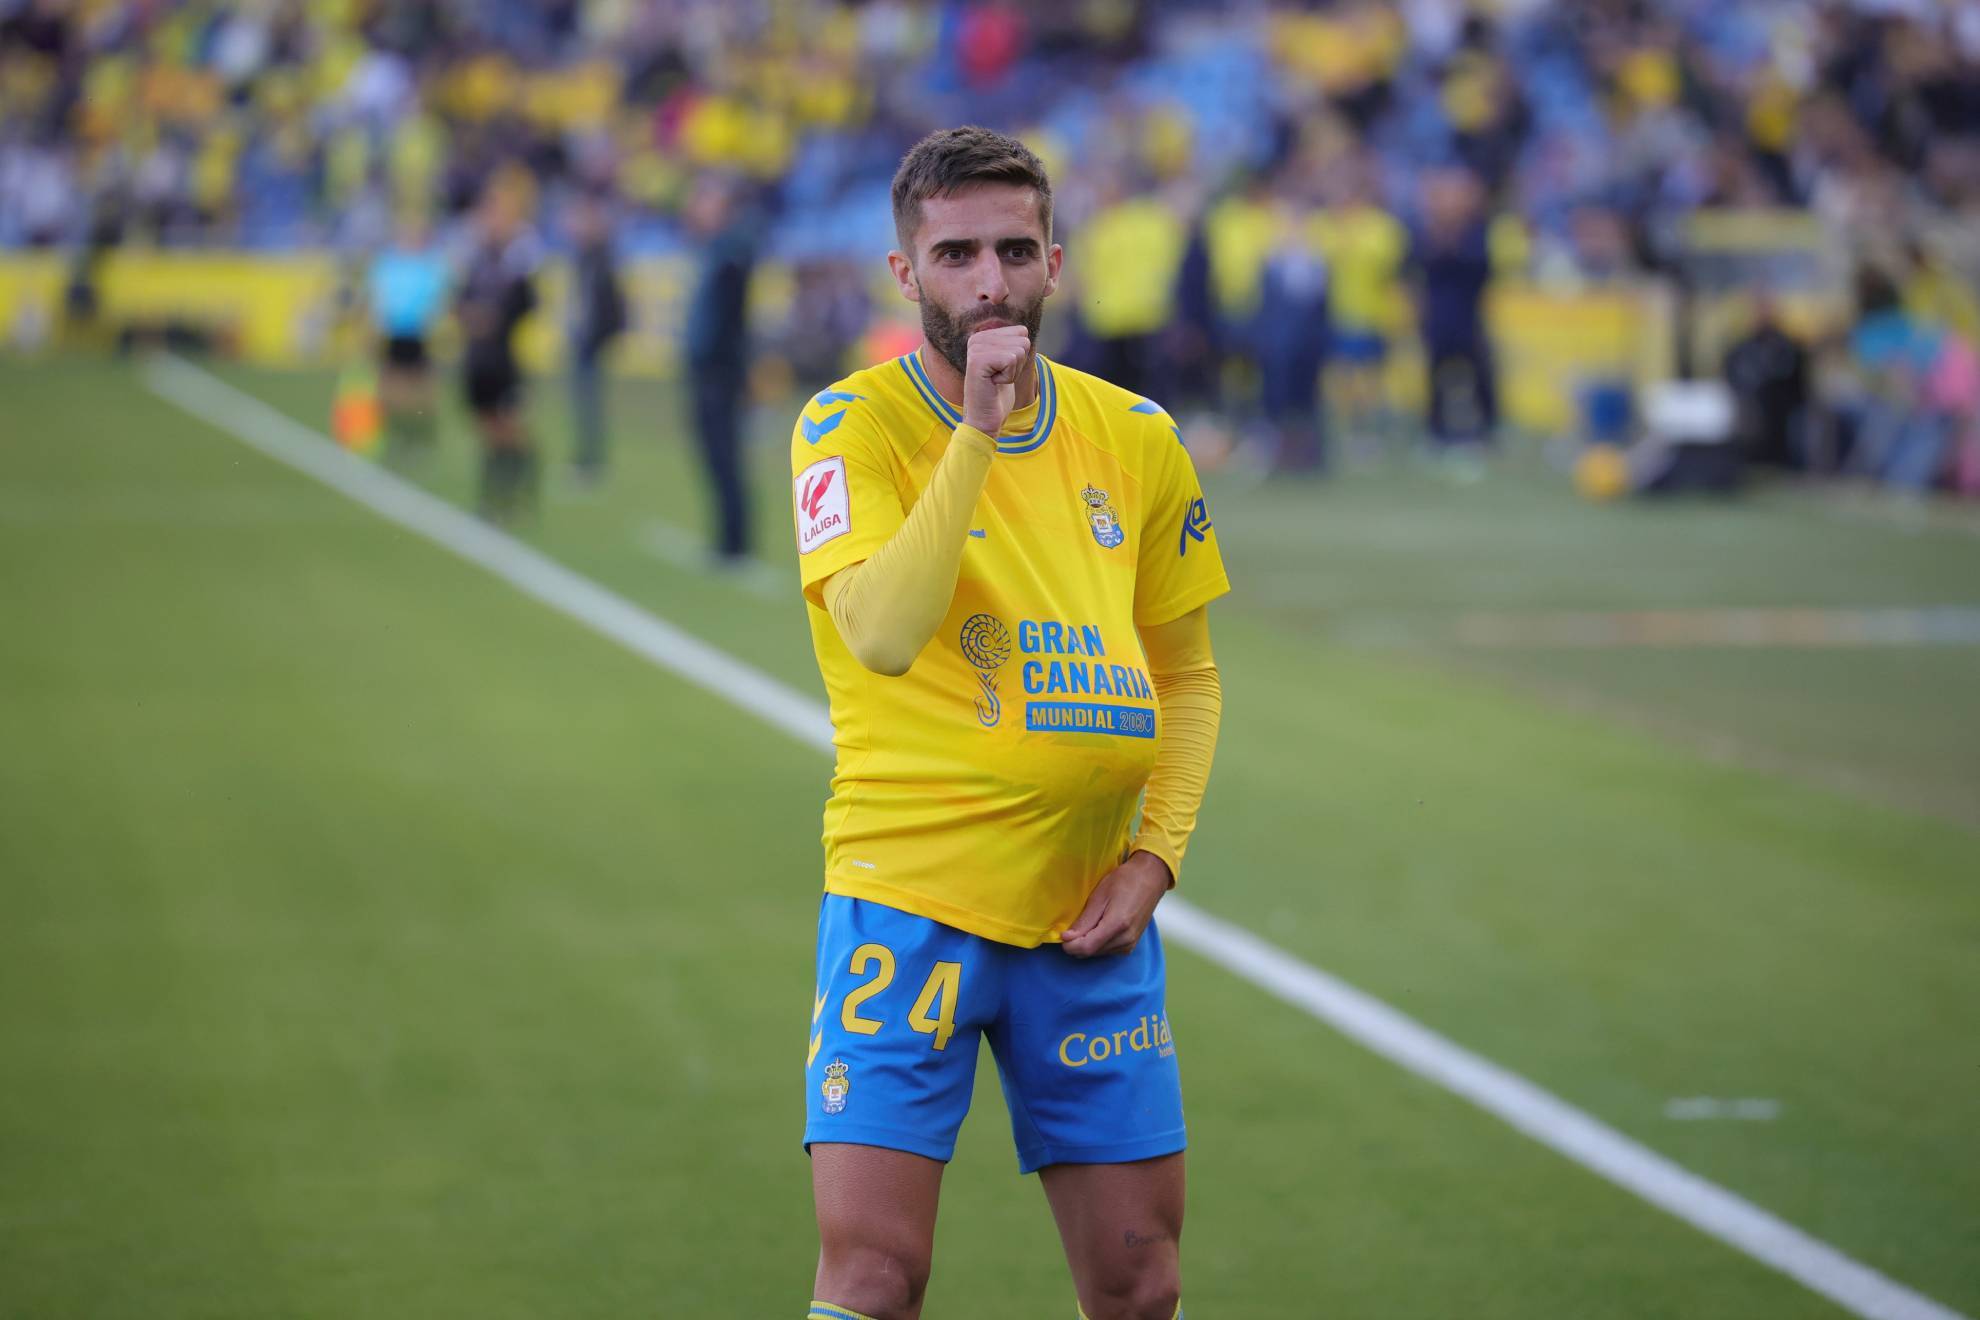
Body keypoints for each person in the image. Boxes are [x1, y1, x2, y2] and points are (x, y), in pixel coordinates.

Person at [790, 126, 1228, 1320]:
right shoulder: (847, 426)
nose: (990, 280)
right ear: (905, 273)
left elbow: (1188, 676)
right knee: (875, 1279)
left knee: (1140, 1284)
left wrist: (1156, 857)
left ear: (1055, 264)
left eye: (1014, 251)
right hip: (909, 901)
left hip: (1089, 919)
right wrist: (975, 435)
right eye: (956, 255)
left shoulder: (1136, 435)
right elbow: (883, 632)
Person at [683, 173, 761, 563]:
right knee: (714, 454)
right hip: (708, 369)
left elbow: (730, 322)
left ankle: (735, 542)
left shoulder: (731, 253)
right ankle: (727, 538)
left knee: (725, 453)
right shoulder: (716, 251)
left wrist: (735, 368)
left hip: (720, 370)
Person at [456, 182, 540, 521]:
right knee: (486, 429)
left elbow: (526, 304)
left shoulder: (517, 262)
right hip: (478, 359)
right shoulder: (477, 260)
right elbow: (459, 300)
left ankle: (515, 493)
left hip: (503, 359)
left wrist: (495, 319)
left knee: (509, 428)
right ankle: (493, 496)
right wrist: (470, 316)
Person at [367, 213, 449, 456]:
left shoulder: (429, 265)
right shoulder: (388, 264)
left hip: (419, 333)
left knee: (421, 389)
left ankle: (419, 435)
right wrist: (374, 329)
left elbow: (437, 301)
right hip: (393, 332)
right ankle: (398, 433)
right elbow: (378, 300)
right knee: (390, 388)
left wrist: (435, 326)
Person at [564, 191, 628, 485]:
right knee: (581, 403)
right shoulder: (586, 257)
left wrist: (603, 334)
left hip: (591, 341)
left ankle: (591, 461)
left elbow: (610, 304)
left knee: (588, 403)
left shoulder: (601, 258)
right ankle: (586, 457)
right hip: (584, 339)